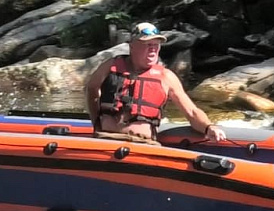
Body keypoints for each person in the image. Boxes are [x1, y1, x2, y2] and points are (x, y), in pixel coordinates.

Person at [85, 22, 227, 143]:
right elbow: (91, 89)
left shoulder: (166, 76)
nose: (153, 49)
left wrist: (208, 127)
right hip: (105, 139)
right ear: (132, 46)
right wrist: (96, 121)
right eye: (148, 44)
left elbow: (192, 111)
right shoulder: (111, 65)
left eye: (156, 44)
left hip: (144, 144)